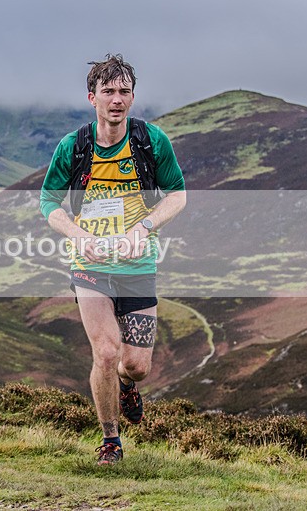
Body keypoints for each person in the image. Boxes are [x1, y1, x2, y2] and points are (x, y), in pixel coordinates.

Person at [39, 54, 186, 465]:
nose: (116, 99)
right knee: (104, 352)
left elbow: (178, 194)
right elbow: (48, 201)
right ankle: (110, 440)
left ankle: (126, 384)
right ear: (92, 97)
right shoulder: (74, 147)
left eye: (124, 91)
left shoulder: (150, 141)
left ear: (133, 97)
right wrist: (76, 233)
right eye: (108, 91)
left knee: (135, 365)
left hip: (137, 266)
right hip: (89, 266)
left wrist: (146, 228)